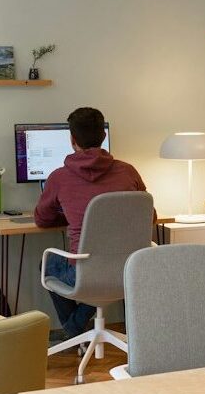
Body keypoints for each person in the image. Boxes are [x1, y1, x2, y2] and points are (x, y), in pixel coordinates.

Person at [34, 107, 148, 345]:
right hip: (129, 271)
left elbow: (41, 219)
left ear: (72, 140)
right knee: (99, 271)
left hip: (83, 273)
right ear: (103, 137)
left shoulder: (59, 177)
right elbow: (148, 216)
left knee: (47, 265)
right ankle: (76, 328)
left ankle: (73, 331)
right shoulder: (128, 172)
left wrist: (69, 216)